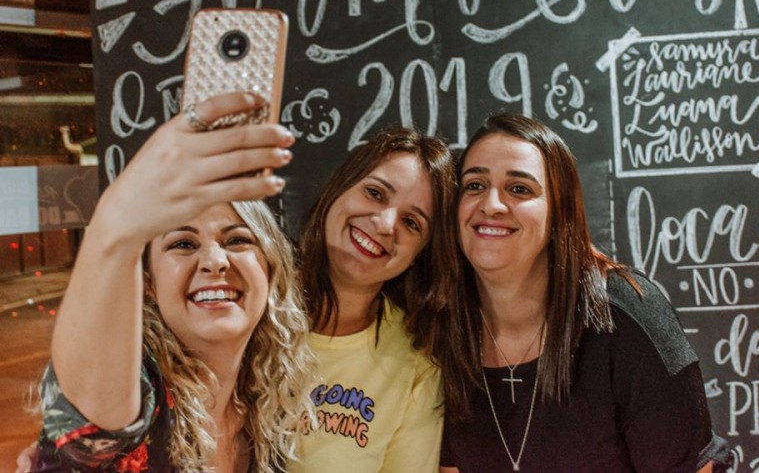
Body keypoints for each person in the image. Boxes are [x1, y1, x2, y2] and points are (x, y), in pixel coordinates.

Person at [27, 92, 316, 472]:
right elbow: (93, 418)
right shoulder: (136, 388)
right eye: (183, 244)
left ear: (271, 271)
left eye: (237, 240)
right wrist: (116, 227)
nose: (214, 261)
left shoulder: (268, 410)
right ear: (148, 283)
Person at [436, 114, 732, 472]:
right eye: (474, 185)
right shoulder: (441, 326)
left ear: (559, 211)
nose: (491, 205)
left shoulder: (626, 313)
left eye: (520, 189)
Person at [291, 127, 460, 472]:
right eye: (375, 193)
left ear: (420, 255)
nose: (385, 224)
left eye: (411, 222)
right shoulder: (249, 302)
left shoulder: (416, 363)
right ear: (339, 187)